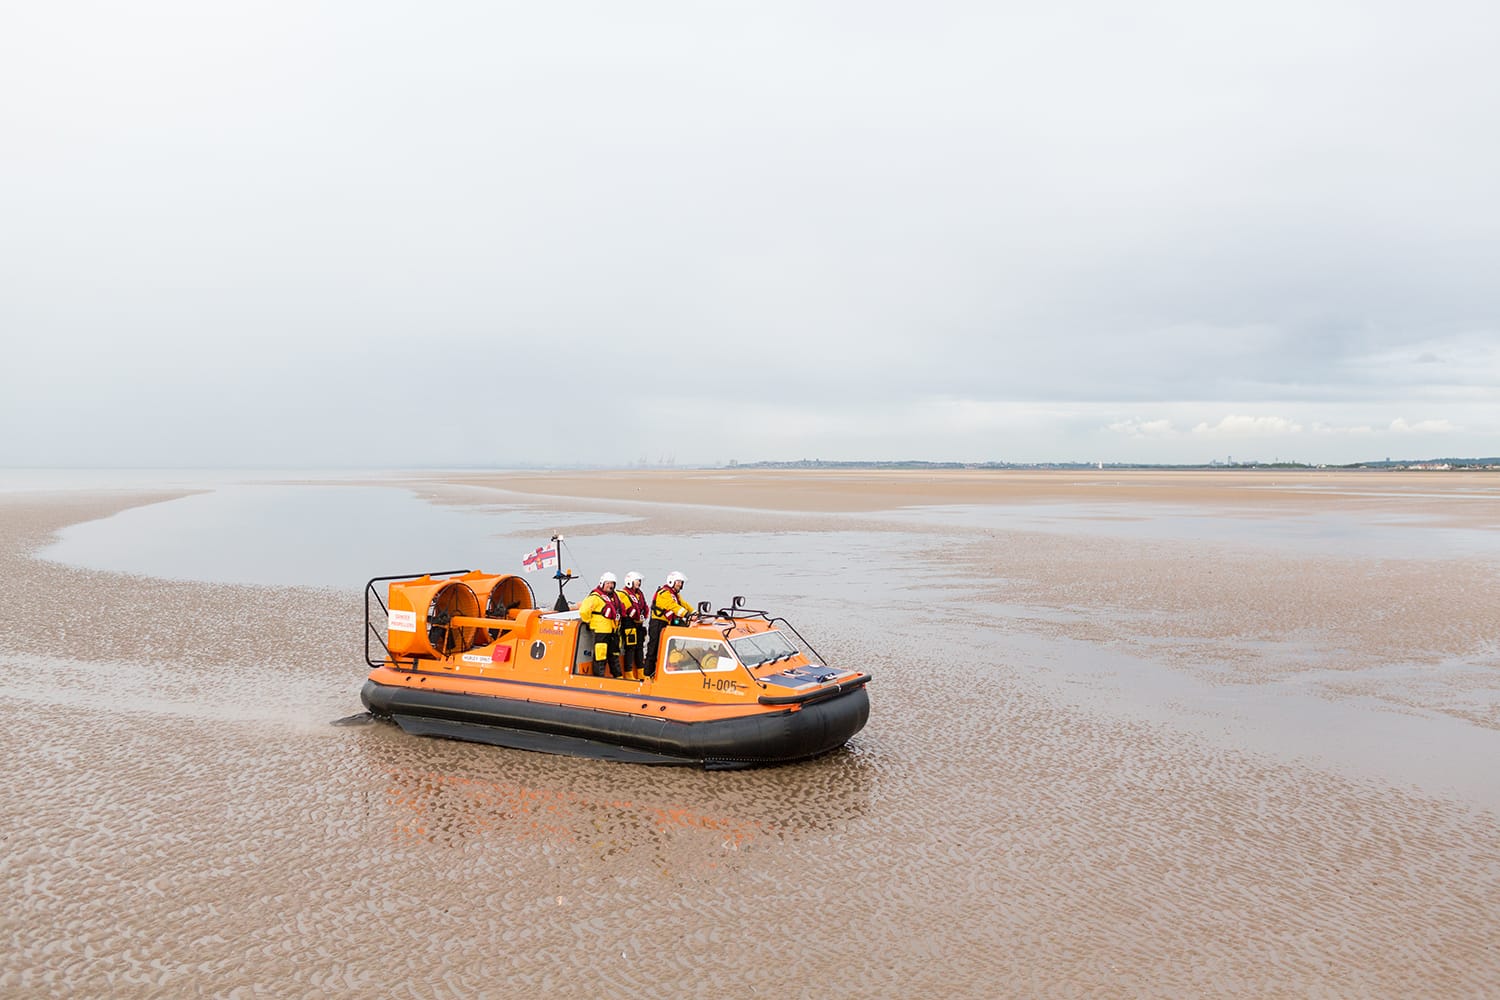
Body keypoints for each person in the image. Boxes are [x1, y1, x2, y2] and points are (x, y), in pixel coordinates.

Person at [578, 572, 623, 678]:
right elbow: (584, 611)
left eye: (612, 583)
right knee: (600, 655)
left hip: (613, 630)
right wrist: (588, 621)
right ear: (602, 583)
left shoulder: (614, 597)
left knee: (614, 654)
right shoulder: (595, 597)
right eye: (608, 583)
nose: (610, 586)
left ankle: (618, 676)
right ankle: (599, 677)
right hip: (601, 631)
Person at [647, 570, 692, 676]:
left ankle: (665, 671)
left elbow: (684, 604)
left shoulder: (675, 595)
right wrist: (686, 614)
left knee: (670, 648)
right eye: (678, 582)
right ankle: (648, 674)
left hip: (668, 624)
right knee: (653, 649)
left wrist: (694, 612)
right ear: (672, 581)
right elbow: (673, 606)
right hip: (658, 624)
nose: (680, 585)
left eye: (681, 583)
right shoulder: (664, 593)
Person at [617, 571, 649, 682]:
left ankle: (640, 672)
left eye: (639, 581)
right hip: (629, 624)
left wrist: (644, 615)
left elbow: (645, 606)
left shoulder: (639, 593)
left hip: (639, 625)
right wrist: (638, 616)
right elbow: (629, 609)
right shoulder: (623, 594)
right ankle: (628, 672)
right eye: (637, 581)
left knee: (639, 648)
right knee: (630, 649)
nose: (639, 583)